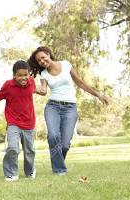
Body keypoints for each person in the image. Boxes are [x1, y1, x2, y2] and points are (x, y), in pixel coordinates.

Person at [28, 46, 108, 175]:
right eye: (39, 61)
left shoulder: (65, 65)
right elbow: (43, 91)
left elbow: (80, 83)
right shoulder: (44, 74)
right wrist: (28, 86)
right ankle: (59, 170)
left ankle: (58, 162)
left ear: (48, 54)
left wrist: (98, 95)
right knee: (53, 136)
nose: (42, 61)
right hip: (52, 107)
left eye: (43, 57)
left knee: (65, 144)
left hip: (70, 108)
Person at [0, 60, 36, 182]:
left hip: (29, 123)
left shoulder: (32, 82)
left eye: (26, 74)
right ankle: (11, 173)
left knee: (29, 150)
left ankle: (30, 171)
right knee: (12, 147)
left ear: (29, 74)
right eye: (19, 75)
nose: (23, 77)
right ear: (14, 75)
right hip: (13, 123)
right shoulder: (8, 85)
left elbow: (35, 90)